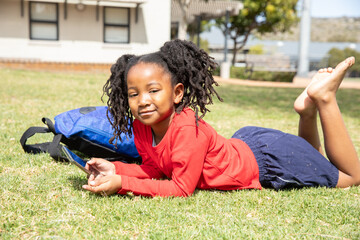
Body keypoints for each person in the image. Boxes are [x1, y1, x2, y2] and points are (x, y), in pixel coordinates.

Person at [82, 39, 360, 197]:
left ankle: (324, 99)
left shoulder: (185, 129)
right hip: (248, 146)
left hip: (269, 161)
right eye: (134, 94)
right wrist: (115, 169)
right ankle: (306, 112)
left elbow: (180, 188)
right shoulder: (143, 128)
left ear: (177, 93)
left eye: (153, 90)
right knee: (312, 158)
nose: (143, 100)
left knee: (351, 177)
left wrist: (123, 185)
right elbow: (157, 171)